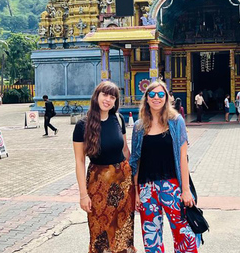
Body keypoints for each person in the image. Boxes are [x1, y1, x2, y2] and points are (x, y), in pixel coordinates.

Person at [130, 80, 198, 252]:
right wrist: (136, 191)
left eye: (161, 94)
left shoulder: (176, 122)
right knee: (151, 239)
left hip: (172, 186)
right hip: (146, 189)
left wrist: (186, 190)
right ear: (146, 99)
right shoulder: (139, 127)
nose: (156, 98)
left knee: (184, 235)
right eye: (152, 95)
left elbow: (183, 157)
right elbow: (136, 161)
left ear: (166, 98)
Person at [72, 81, 135, 253]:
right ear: (96, 96)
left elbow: (125, 149)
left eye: (112, 97)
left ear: (115, 101)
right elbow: (79, 161)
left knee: (123, 232)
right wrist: (83, 195)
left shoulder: (119, 119)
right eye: (104, 95)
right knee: (99, 233)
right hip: (97, 184)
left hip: (123, 183)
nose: (108, 99)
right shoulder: (82, 126)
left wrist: (134, 184)